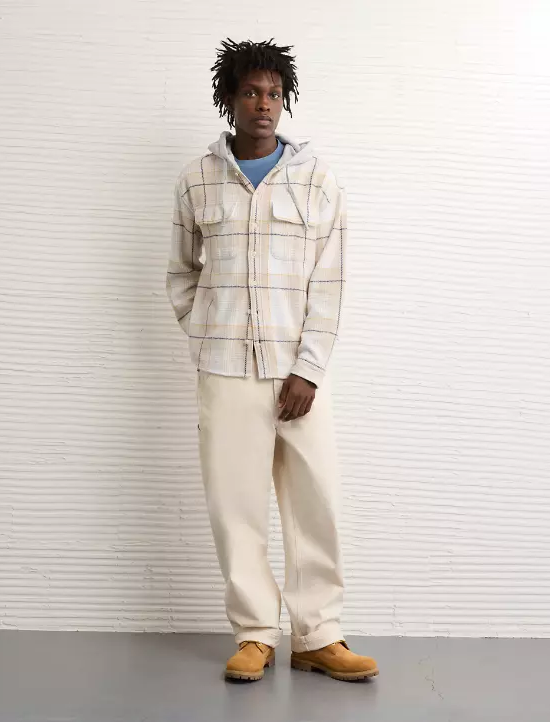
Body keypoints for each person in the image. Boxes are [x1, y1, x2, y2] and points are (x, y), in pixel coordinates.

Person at [166, 37, 378, 683]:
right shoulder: (197, 179)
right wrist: (207, 335)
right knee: (235, 508)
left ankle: (318, 635)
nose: (264, 104)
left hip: (297, 375)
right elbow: (181, 274)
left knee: (316, 502)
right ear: (229, 99)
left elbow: (329, 282)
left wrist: (308, 369)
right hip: (225, 371)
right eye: (252, 92)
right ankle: (255, 634)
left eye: (274, 94)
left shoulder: (318, 181)